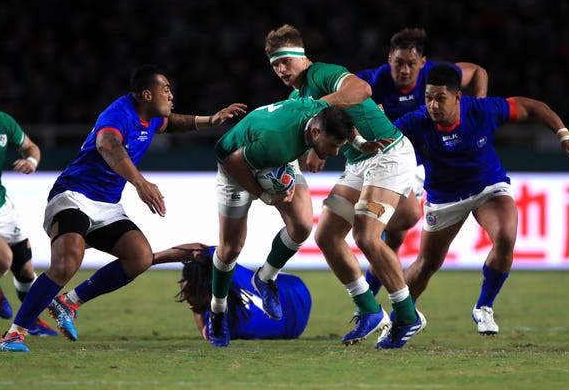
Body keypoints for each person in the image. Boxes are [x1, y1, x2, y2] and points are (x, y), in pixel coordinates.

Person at [0, 64, 247, 352]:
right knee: (67, 261)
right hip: (74, 195)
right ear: (146, 95)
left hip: (107, 206)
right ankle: (14, 335)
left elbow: (172, 122)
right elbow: (107, 145)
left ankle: (68, 302)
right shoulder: (119, 114)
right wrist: (140, 183)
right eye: (165, 89)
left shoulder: (151, 116)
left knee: (139, 257)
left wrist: (209, 120)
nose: (171, 94)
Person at [393, 63, 569, 335]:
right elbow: (385, 140)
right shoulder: (415, 122)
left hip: (488, 188)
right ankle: (399, 317)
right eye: (428, 98)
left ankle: (483, 307)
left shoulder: (482, 110)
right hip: (444, 198)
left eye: (440, 98)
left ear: (457, 96)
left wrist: (564, 136)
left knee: (506, 236)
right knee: (426, 265)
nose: (433, 105)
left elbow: (531, 106)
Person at [265, 24, 425, 349]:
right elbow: (300, 137)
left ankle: (408, 316)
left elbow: (362, 90)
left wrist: (318, 106)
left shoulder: (325, 74)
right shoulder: (296, 99)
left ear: (302, 57)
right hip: (358, 163)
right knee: (325, 234)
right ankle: (368, 309)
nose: (281, 68)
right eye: (274, 64)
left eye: (285, 60)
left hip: (387, 153)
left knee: (366, 235)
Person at [209, 97, 359, 347]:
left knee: (302, 226)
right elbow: (233, 160)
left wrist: (361, 141)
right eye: (333, 145)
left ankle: (265, 278)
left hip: (274, 160)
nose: (334, 153)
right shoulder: (278, 141)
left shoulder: (322, 113)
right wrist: (266, 195)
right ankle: (218, 311)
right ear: (315, 131)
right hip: (235, 166)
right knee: (230, 248)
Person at [356, 27, 489, 295]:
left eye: (411, 64)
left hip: (420, 164)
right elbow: (341, 101)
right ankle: (371, 302)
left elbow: (477, 72)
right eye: (398, 63)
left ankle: (369, 302)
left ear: (423, 63)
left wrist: (475, 110)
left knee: (392, 239)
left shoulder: (435, 77)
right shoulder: (372, 81)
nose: (404, 70)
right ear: (388, 59)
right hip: (387, 163)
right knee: (394, 231)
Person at [152, 242, 311, 340]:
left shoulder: (224, 321)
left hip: (293, 327)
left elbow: (206, 333)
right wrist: (153, 258)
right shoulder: (226, 267)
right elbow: (197, 249)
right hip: (296, 287)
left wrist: (196, 308)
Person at [0, 107, 57, 337]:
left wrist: (31, 161)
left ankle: (30, 320)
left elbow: (31, 147)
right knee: (3, 259)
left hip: (1, 206)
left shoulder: (0, 121)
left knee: (26, 269)